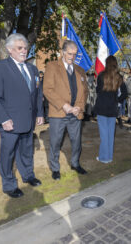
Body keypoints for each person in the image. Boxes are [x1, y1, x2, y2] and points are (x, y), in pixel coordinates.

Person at [0, 33, 44, 198]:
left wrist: (40, 113)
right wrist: (4, 118)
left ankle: (28, 176)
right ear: (10, 50)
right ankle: (9, 185)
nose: (24, 51)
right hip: (10, 122)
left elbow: (37, 94)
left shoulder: (33, 69)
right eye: (20, 48)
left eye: (26, 48)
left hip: (28, 120)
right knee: (8, 154)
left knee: (26, 151)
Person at [43, 40, 89, 181]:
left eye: (74, 54)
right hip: (58, 113)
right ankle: (55, 168)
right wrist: (64, 105)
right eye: (69, 54)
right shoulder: (52, 66)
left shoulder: (80, 70)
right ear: (63, 52)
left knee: (76, 141)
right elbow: (47, 89)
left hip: (75, 113)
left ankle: (75, 163)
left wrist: (79, 107)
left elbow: (85, 91)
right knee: (55, 142)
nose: (72, 57)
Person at [93, 56, 128, 163]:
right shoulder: (119, 77)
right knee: (110, 134)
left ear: (106, 63)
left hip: (102, 107)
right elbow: (125, 93)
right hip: (113, 107)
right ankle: (109, 157)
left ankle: (104, 158)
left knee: (104, 134)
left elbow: (98, 90)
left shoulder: (101, 75)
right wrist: (117, 100)